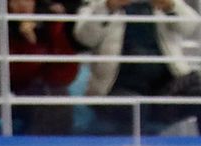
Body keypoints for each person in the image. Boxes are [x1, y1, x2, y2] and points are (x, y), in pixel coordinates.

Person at [74, 0, 201, 135]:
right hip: (115, 88)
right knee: (134, 107)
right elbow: (84, 38)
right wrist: (107, 7)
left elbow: (191, 27)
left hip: (167, 87)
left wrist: (171, 6)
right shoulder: (96, 3)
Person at [7, 0, 81, 134]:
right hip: (12, 90)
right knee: (46, 98)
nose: (22, 5)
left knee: (56, 96)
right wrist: (30, 43)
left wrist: (55, 30)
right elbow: (14, 74)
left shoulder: (48, 23)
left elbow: (68, 71)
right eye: (15, 1)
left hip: (46, 89)